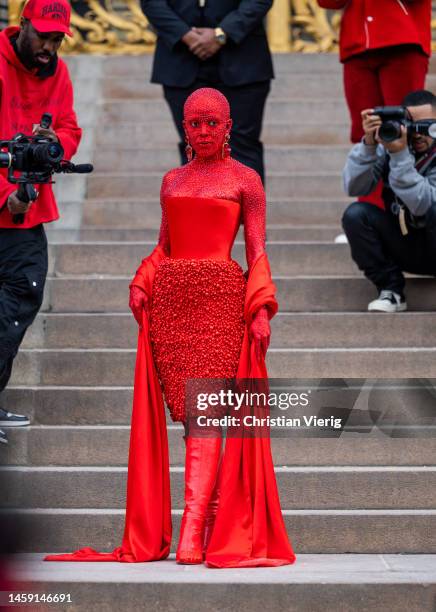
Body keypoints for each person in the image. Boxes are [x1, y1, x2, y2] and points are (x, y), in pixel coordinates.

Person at [45, 88, 296, 568]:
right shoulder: (171, 180)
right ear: (185, 128)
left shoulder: (246, 181)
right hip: (172, 304)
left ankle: (194, 529)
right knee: (191, 415)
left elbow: (257, 251)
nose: (202, 131)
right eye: (194, 123)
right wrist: (143, 280)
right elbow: (164, 244)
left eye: (211, 123)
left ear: (228, 126)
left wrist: (261, 307)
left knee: (208, 413)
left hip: (221, 300)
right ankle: (207, 522)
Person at [0, 0, 82, 443]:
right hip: (8, 198)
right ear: (23, 24)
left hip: (26, 207)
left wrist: (57, 145)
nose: (49, 47)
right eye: (43, 36)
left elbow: (70, 128)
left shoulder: (59, 72)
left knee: (21, 297)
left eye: (56, 39)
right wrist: (5, 196)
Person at [141, 0, 274, 183]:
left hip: (242, 61)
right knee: (194, 147)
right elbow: (152, 3)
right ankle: (200, 211)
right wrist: (185, 35)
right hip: (181, 60)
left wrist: (221, 35)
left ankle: (247, 211)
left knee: (242, 147)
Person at [317, 0, 431, 210]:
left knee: (404, 130)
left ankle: (407, 212)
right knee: (366, 132)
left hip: (402, 39)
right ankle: (370, 214)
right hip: (357, 45)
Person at [342, 90, 436, 312]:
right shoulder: (392, 147)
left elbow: (423, 205)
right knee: (356, 215)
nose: (418, 135)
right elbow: (353, 187)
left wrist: (400, 156)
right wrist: (368, 145)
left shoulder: (399, 151)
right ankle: (391, 290)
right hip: (406, 243)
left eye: (427, 127)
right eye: (411, 126)